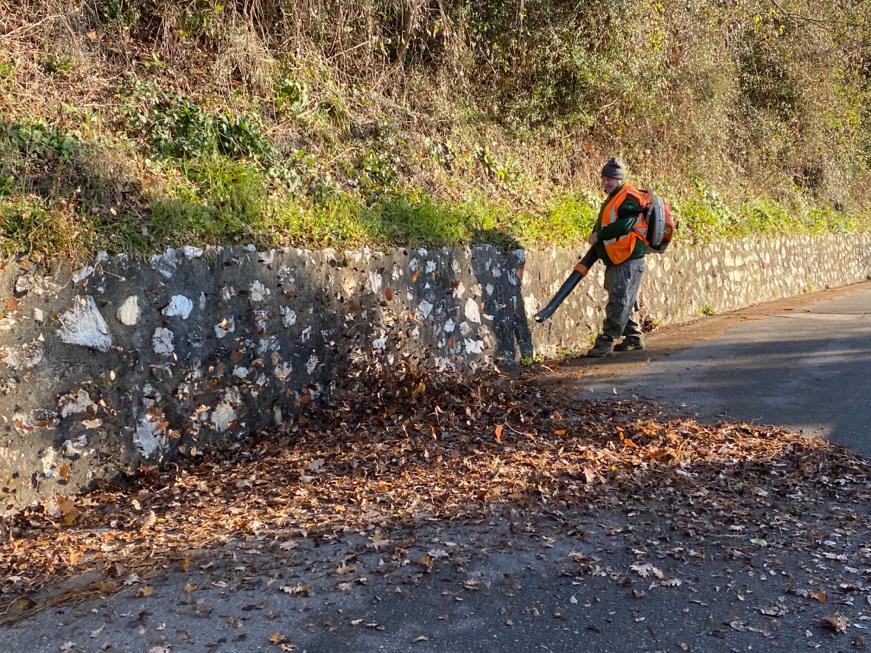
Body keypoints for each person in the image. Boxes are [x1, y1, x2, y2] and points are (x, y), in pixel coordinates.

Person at [585, 157, 647, 357]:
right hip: (619, 257)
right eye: (603, 179)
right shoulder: (615, 196)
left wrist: (599, 236)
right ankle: (634, 338)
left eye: (609, 179)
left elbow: (626, 224)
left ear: (619, 178)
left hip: (627, 258)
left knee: (619, 300)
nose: (605, 183)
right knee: (622, 297)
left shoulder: (628, 196)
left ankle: (606, 341)